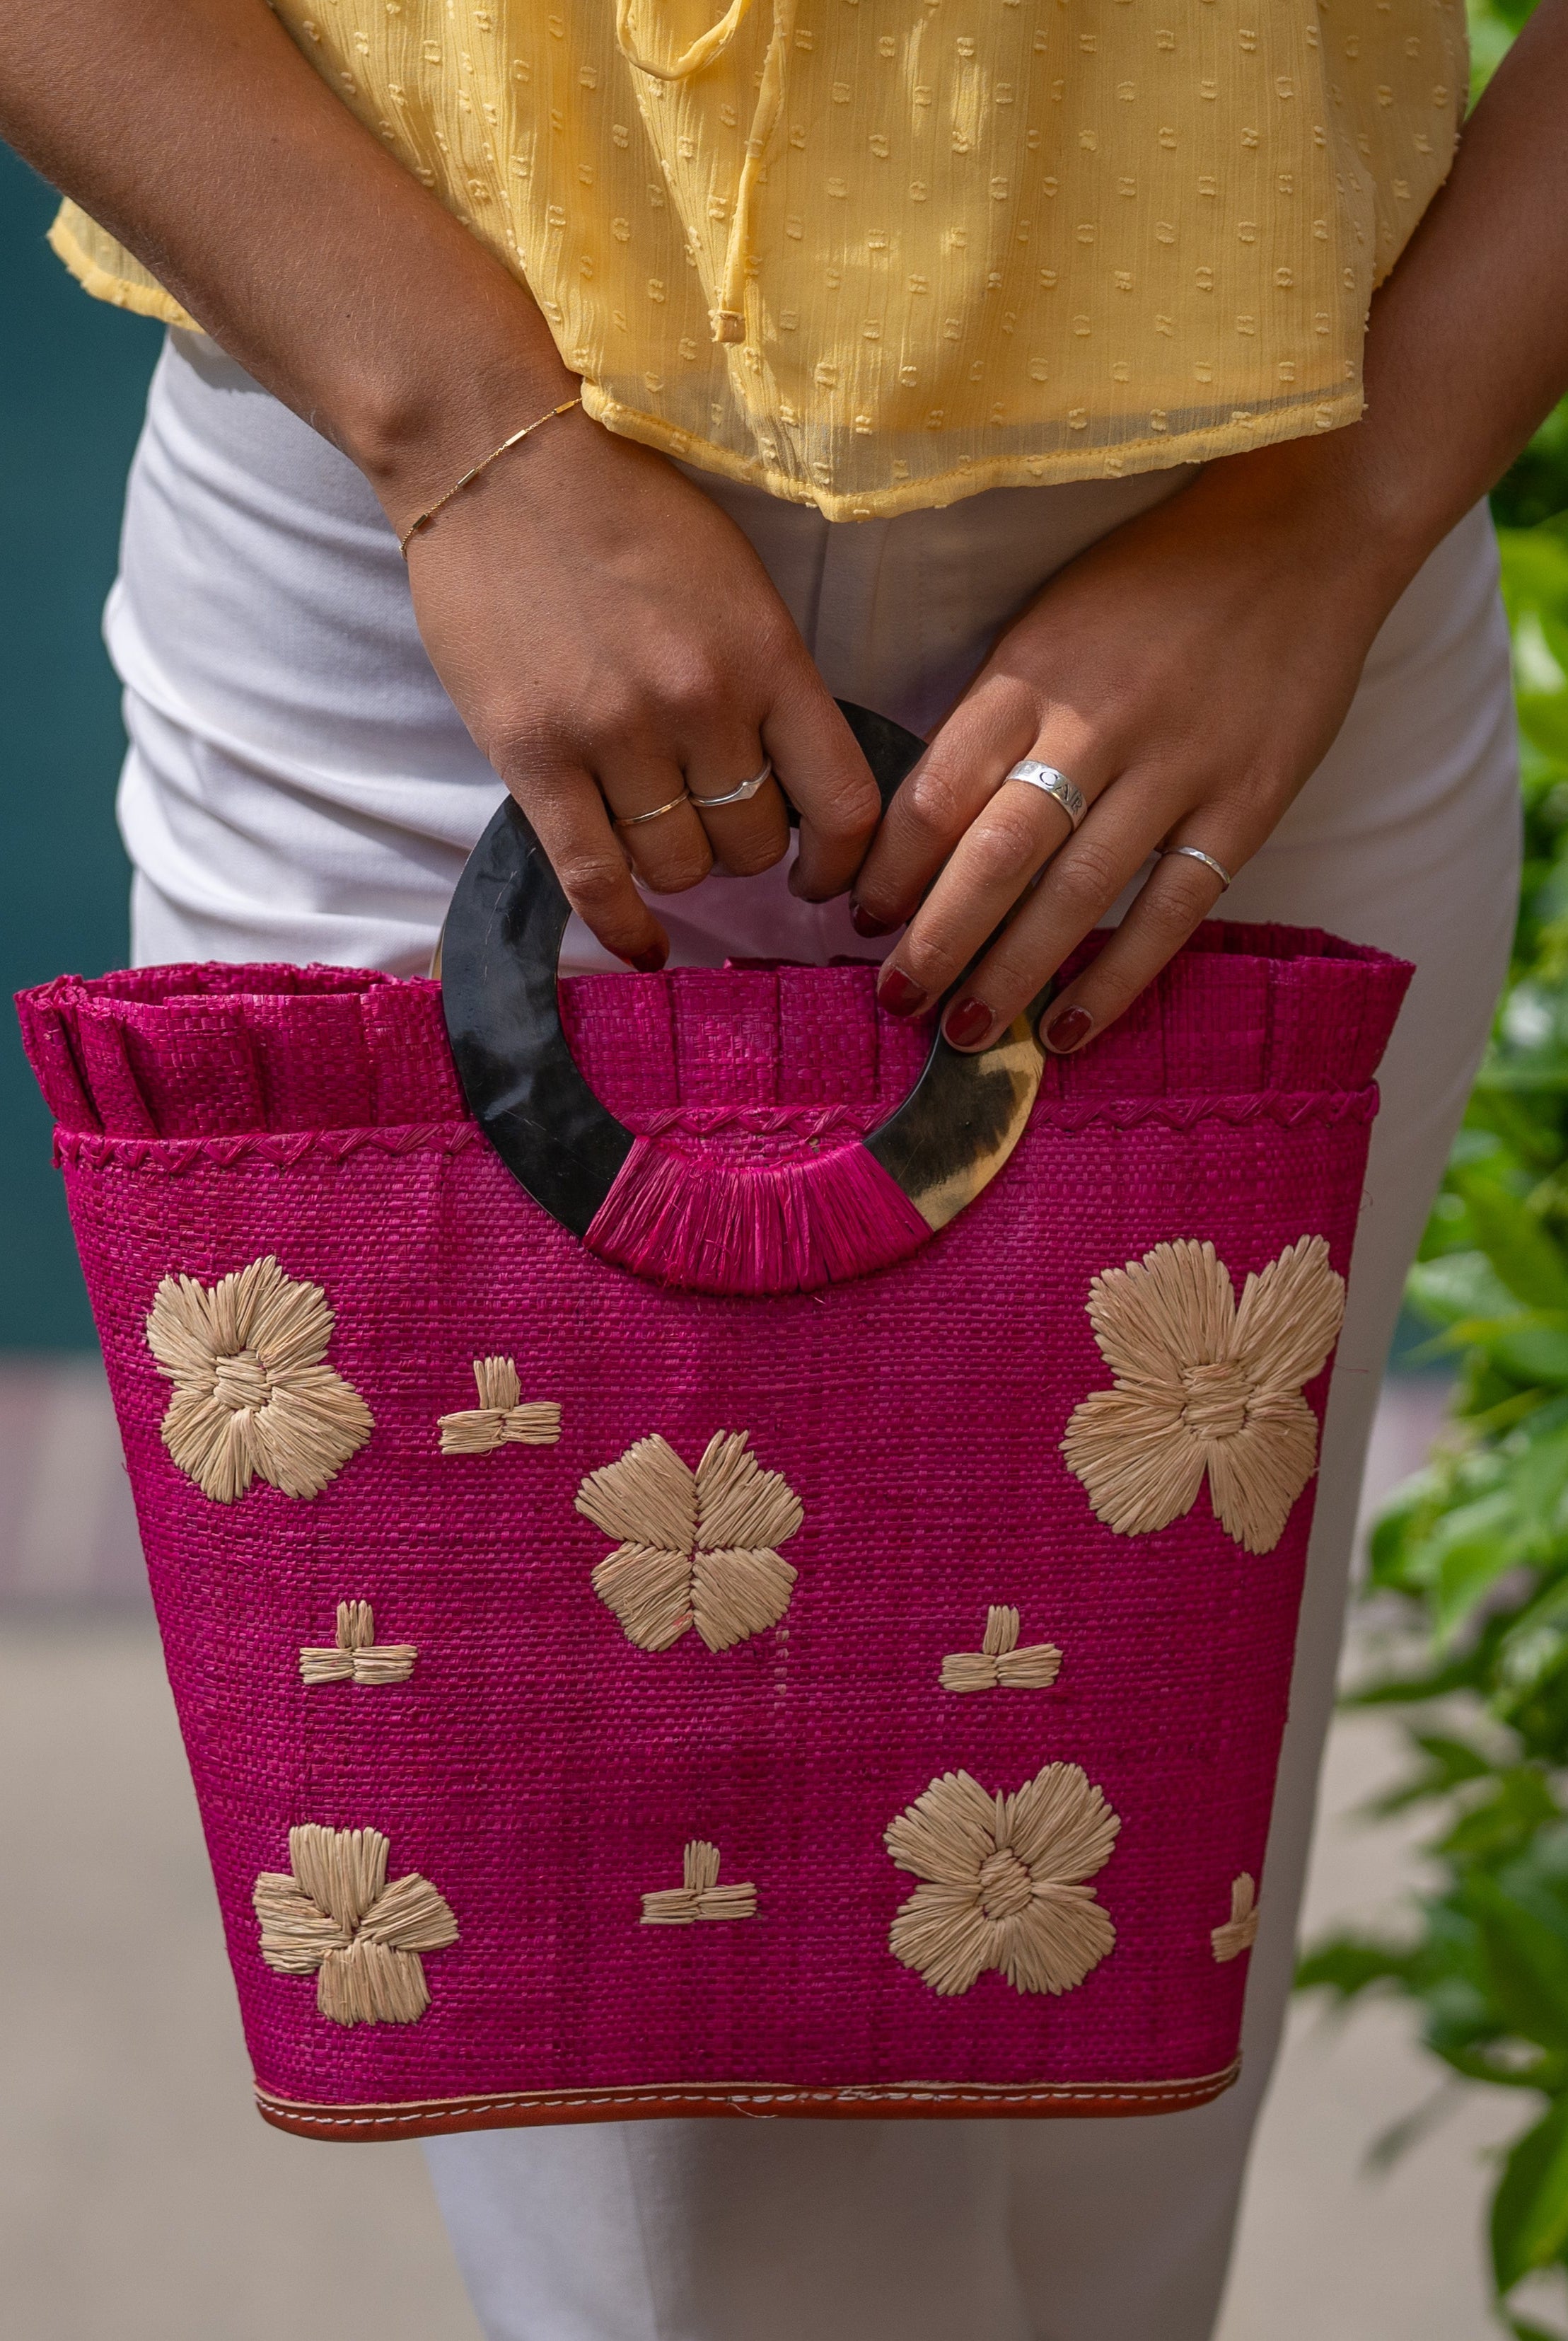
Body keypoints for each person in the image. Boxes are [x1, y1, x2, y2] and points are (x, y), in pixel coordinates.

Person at [3, 0, 1565, 2332]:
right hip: (428, 523)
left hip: (1256, 589)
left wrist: (1337, 520)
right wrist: (466, 434)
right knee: (726, 2199)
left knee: (1112, 2070)